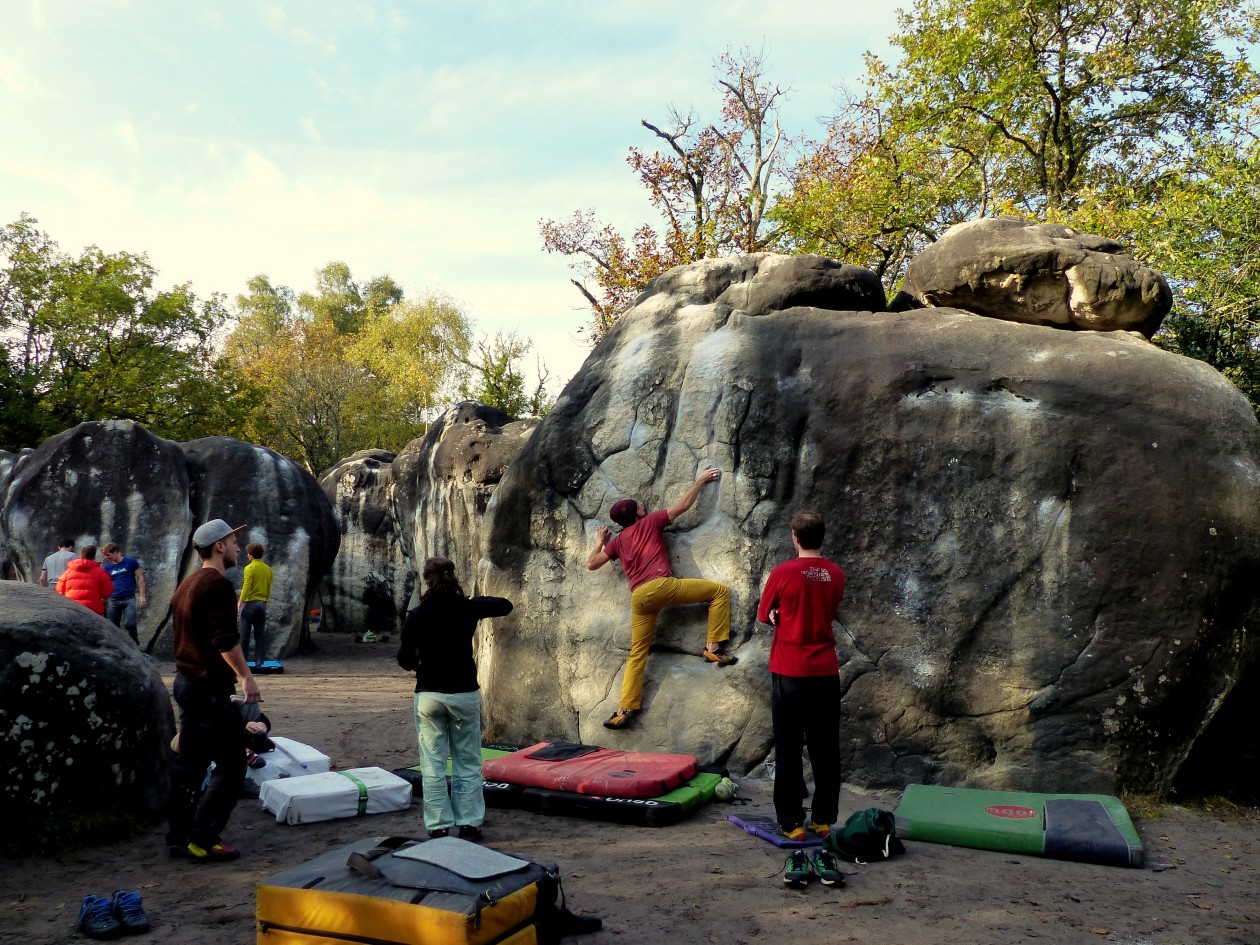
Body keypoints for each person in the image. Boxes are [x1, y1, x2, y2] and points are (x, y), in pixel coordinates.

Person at [587, 467, 735, 730]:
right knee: (719, 592)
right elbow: (683, 505)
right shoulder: (651, 521)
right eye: (640, 506)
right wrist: (700, 480)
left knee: (637, 653)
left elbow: (592, 564)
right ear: (638, 514)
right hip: (662, 587)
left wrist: (600, 540)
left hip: (640, 599)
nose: (644, 506)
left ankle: (623, 710)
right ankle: (713, 649)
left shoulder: (618, 542)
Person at [756, 510, 846, 886]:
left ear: (795, 537)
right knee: (825, 748)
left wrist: (777, 613)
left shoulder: (782, 573)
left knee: (789, 747)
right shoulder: (836, 575)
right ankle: (823, 820)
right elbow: (825, 610)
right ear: (821, 537)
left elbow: (764, 615)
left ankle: (792, 822)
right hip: (825, 671)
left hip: (790, 671)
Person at [397, 556, 512, 841]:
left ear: (427, 580)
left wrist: (417, 665)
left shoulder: (417, 614)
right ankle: (470, 824)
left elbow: (404, 658)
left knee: (432, 764)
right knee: (468, 762)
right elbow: (505, 605)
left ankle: (438, 826)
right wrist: (473, 601)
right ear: (453, 578)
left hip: (429, 694)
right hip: (463, 691)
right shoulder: (467, 608)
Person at [165, 518, 260, 863]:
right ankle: (203, 838)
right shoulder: (217, 585)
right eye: (234, 541)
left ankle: (178, 836)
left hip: (186, 682)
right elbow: (225, 640)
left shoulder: (187, 584)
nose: (237, 547)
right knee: (233, 766)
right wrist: (247, 677)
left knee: (189, 765)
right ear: (219, 546)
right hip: (209, 687)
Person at [102, 543, 147, 644]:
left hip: (129, 598)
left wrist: (142, 596)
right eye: (105, 555)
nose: (106, 557)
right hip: (113, 600)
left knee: (130, 624)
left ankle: (134, 642)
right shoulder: (107, 567)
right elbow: (104, 583)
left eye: (108, 554)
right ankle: (118, 647)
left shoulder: (131, 562)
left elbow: (140, 577)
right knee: (113, 627)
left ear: (116, 552)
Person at [236, 542, 273, 663]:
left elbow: (246, 587)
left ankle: (243, 662)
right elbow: (268, 587)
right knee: (260, 634)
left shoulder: (249, 568)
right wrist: (265, 601)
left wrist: (240, 602)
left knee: (244, 635)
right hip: (262, 604)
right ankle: (259, 663)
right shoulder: (268, 569)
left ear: (251, 555)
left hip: (250, 604)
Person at [55, 545, 115, 615]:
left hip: (73, 608)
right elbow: (107, 592)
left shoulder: (68, 572)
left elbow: (59, 590)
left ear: (81, 556)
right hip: (93, 609)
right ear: (94, 557)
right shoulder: (100, 572)